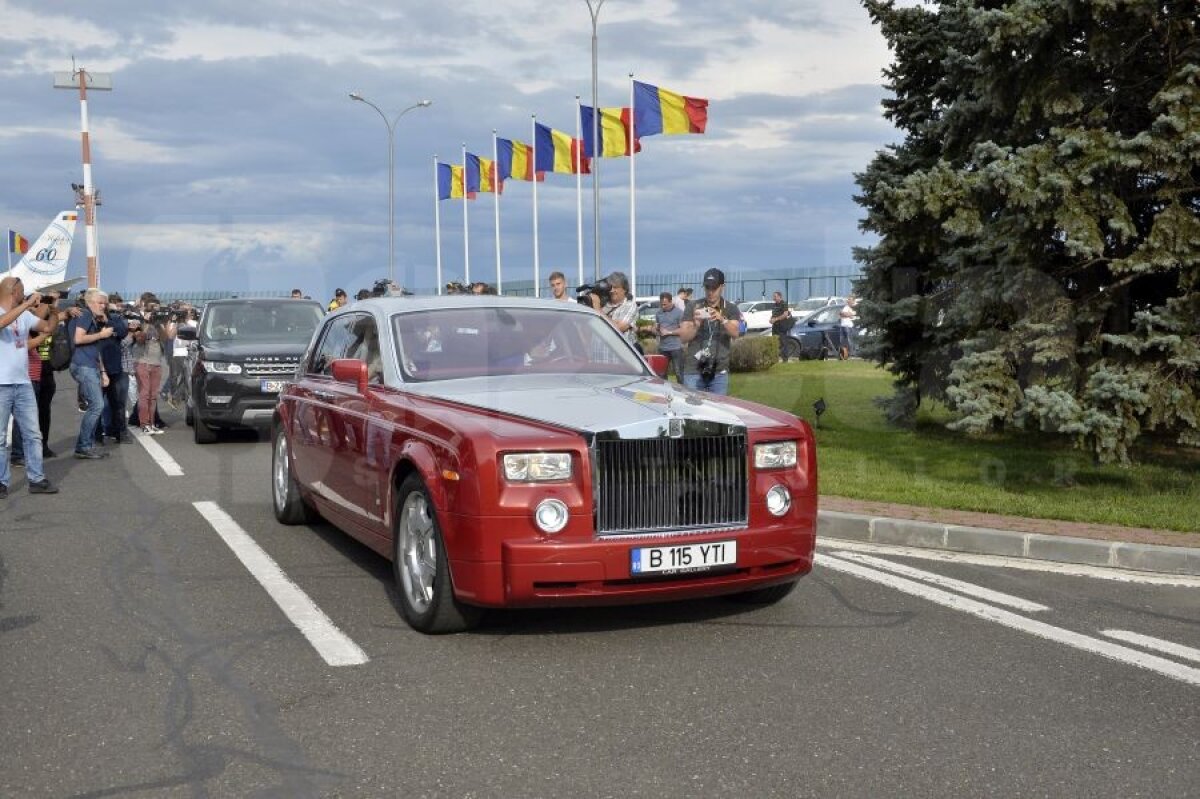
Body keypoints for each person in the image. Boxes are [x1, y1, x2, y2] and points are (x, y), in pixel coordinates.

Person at [0, 276, 59, 495]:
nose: (26, 295)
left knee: (33, 433)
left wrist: (52, 310)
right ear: (12, 291)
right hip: (1, 384)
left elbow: (48, 328)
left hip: (23, 383)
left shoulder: (24, 315)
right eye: (22, 291)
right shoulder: (7, 312)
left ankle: (37, 478)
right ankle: (1, 482)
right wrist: (26, 304)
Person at [68, 288, 118, 459]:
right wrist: (102, 334)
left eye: (105, 303)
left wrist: (103, 371)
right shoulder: (86, 315)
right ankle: (83, 446)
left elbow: (95, 350)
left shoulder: (89, 316)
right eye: (100, 302)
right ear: (89, 302)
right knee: (97, 405)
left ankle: (85, 445)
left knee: (96, 405)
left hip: (89, 364)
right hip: (83, 365)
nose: (103, 306)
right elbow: (78, 338)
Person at [679, 268, 742, 395]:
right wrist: (696, 326)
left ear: (722, 287)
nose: (710, 292)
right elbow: (683, 337)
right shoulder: (693, 306)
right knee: (693, 411)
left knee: (717, 412)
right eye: (707, 288)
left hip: (719, 371)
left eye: (714, 288)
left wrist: (722, 319)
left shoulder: (730, 308)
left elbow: (735, 333)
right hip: (693, 370)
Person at [132, 310, 172, 435]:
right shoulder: (141, 325)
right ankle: (144, 424)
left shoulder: (158, 325)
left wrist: (158, 323)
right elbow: (139, 339)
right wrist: (146, 323)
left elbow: (166, 338)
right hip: (143, 363)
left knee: (153, 395)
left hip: (156, 364)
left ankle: (152, 423)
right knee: (144, 394)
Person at [596, 271, 638, 350]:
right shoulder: (603, 305)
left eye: (615, 287)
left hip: (619, 358)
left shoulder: (629, 305)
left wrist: (598, 310)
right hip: (598, 355)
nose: (612, 291)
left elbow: (618, 328)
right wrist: (614, 321)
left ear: (624, 289)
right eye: (610, 287)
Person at [654, 291, 685, 381]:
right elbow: (656, 327)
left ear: (671, 302)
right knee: (661, 375)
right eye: (661, 304)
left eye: (665, 304)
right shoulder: (658, 313)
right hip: (663, 348)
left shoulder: (679, 313)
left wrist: (669, 332)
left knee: (679, 374)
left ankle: (682, 393)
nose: (663, 306)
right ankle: (665, 393)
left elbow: (683, 330)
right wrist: (656, 329)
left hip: (676, 348)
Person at [838, 296, 858, 360]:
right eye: (848, 299)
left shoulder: (855, 307)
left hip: (849, 326)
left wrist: (846, 314)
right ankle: (843, 355)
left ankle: (852, 355)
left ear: (853, 301)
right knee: (842, 342)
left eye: (850, 299)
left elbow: (852, 316)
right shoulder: (846, 307)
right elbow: (840, 313)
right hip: (843, 326)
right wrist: (847, 314)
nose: (848, 300)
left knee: (850, 341)